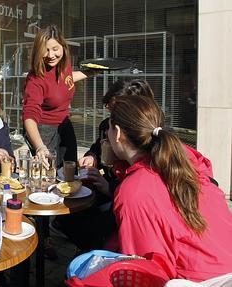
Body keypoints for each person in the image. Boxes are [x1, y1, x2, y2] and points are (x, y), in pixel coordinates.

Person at [108, 95, 232, 281]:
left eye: (108, 128)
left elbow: (146, 270)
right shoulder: (186, 161)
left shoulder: (134, 192)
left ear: (117, 133)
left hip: (201, 281)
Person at [50, 79, 156, 252]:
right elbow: (98, 148)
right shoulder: (108, 126)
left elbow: (138, 189)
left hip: (119, 195)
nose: (112, 114)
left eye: (117, 109)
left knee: (90, 225)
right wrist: (92, 156)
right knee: (70, 210)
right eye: (109, 107)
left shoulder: (148, 143)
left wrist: (110, 188)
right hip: (107, 185)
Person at [23, 24, 94, 164]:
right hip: (44, 130)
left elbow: (65, 80)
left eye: (55, 49)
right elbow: (29, 115)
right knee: (47, 176)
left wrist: (89, 73)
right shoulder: (35, 79)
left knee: (70, 170)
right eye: (46, 50)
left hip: (65, 125)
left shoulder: (63, 64)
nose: (51, 55)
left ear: (63, 47)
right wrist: (39, 147)